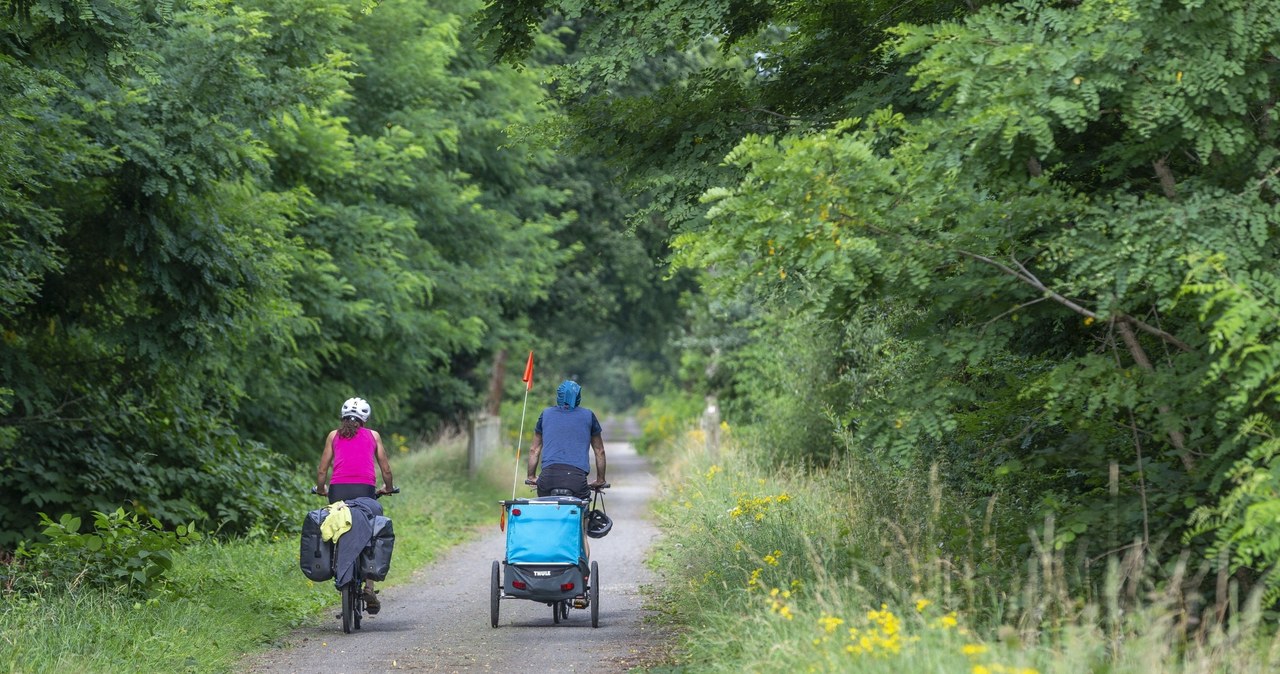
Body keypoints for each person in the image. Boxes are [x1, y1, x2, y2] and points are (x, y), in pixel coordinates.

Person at [315, 396, 394, 613]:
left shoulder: (333, 435)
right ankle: (369, 585)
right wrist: (387, 487)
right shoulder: (373, 435)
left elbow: (322, 470)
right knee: (371, 532)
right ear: (365, 419)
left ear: (343, 416)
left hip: (338, 492)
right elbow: (386, 470)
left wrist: (322, 489)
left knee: (337, 528)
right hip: (365, 493)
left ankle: (337, 564)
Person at [525, 380, 607, 498]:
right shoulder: (588, 415)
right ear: (578, 396)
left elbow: (534, 449)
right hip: (576, 480)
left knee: (545, 512)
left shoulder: (546, 414)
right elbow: (600, 451)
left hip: (548, 479)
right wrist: (600, 480)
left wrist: (531, 477)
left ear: (559, 395)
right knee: (581, 513)